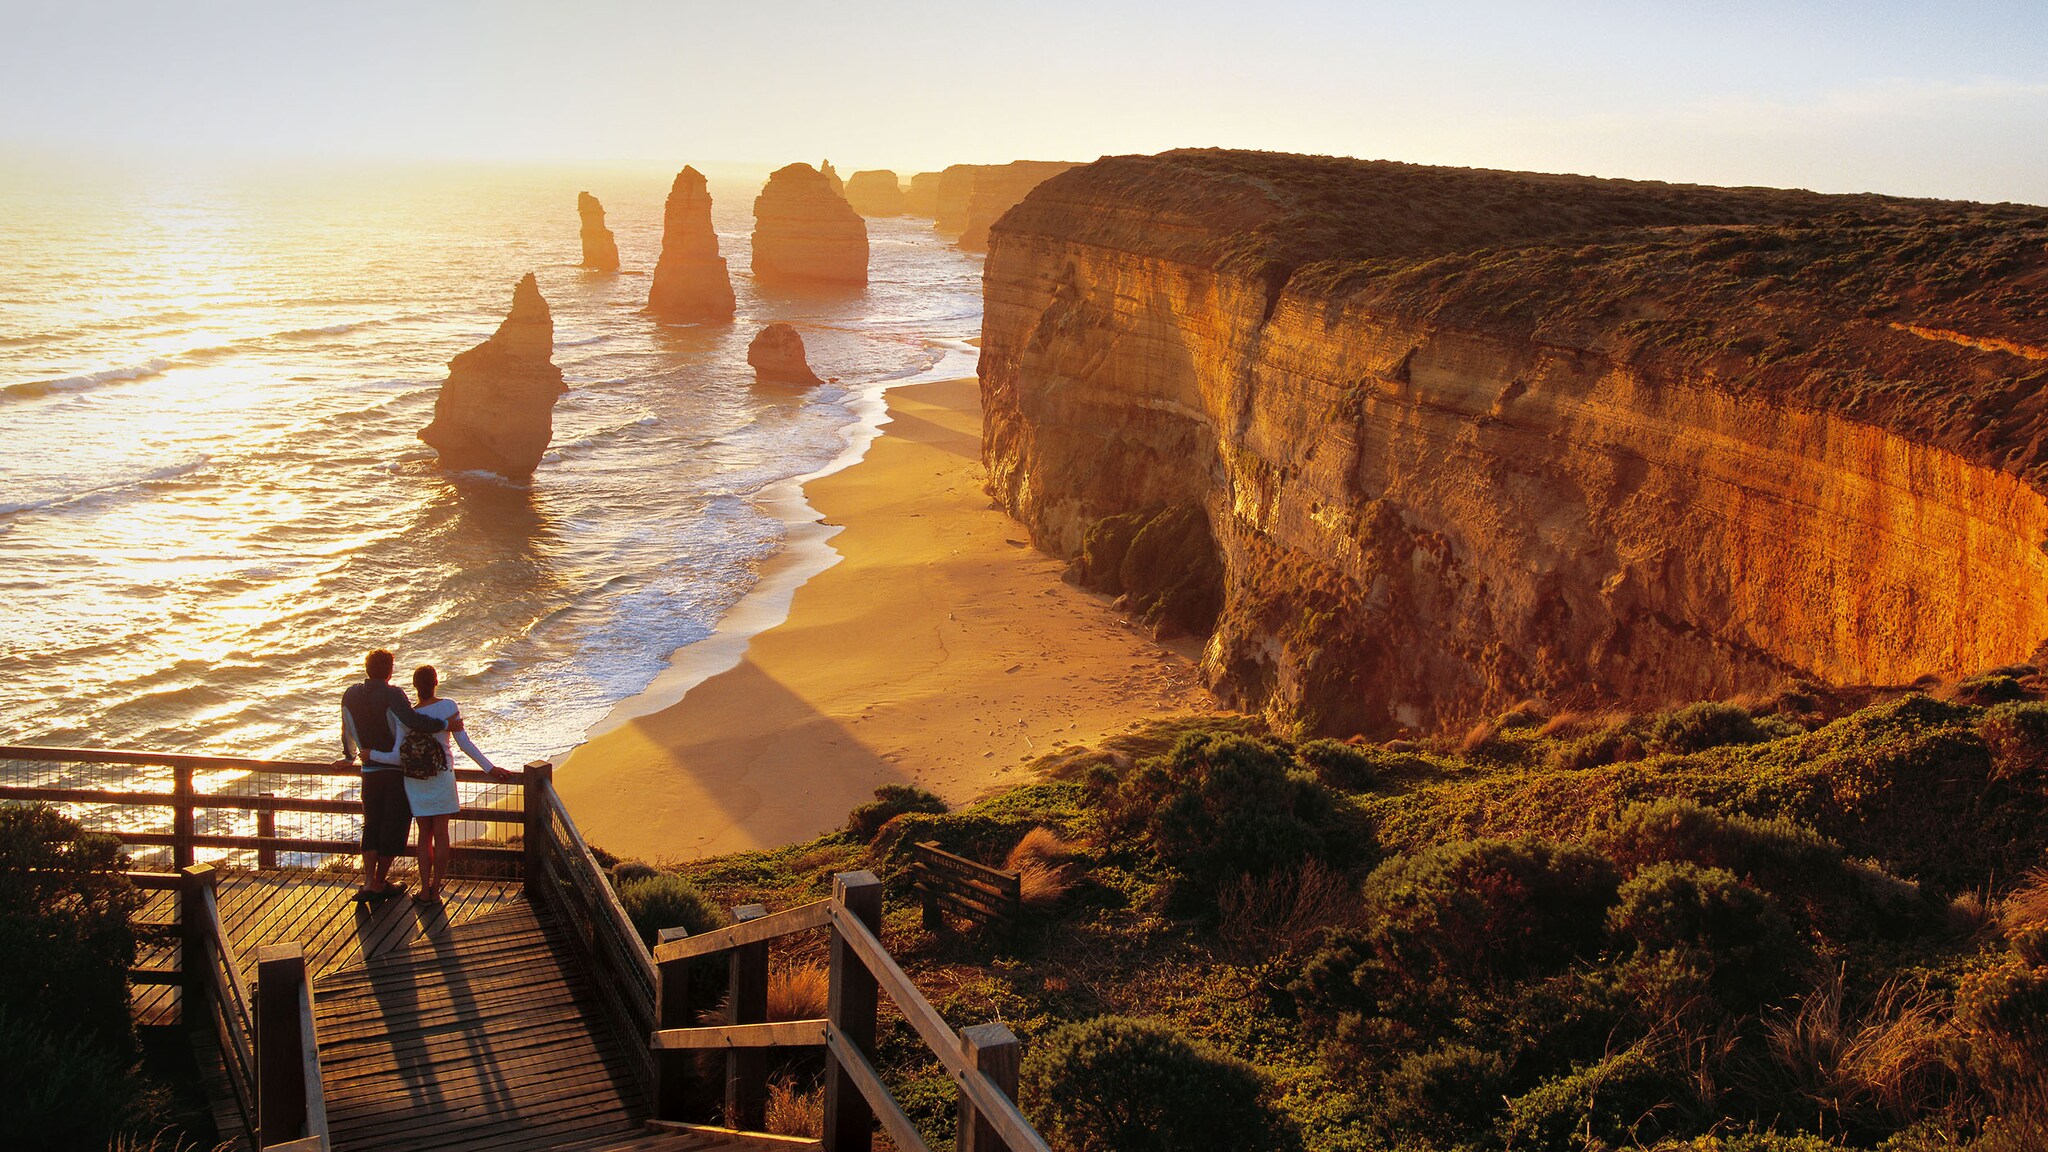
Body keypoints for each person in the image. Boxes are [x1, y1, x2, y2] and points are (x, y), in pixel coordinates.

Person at [335, 648, 453, 904]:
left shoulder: (351, 694)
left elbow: (347, 726)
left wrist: (349, 756)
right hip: (395, 771)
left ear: (367, 668)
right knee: (394, 825)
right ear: (390, 670)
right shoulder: (393, 693)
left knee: (371, 823)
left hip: (369, 772)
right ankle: (379, 881)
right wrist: (444, 725)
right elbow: (411, 720)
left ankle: (368, 881)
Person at [402, 664, 512, 905]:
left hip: (416, 780)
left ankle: (423, 889)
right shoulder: (448, 707)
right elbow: (464, 743)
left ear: (414, 686)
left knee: (423, 835)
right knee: (441, 834)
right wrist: (490, 768)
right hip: (442, 775)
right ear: (436, 682)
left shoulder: (409, 715)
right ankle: (436, 888)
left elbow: (397, 750)